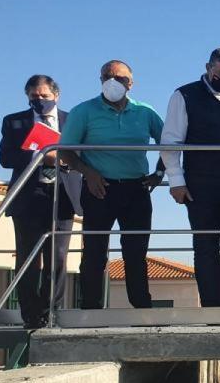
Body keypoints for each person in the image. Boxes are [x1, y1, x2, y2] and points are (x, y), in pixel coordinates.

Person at [60, 60, 165, 309]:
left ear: (131, 83)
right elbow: (65, 151)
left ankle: (141, 308)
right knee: (94, 253)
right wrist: (89, 173)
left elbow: (170, 143)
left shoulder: (146, 111)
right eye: (107, 77)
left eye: (120, 78)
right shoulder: (83, 111)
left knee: (136, 252)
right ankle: (91, 308)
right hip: (99, 188)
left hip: (137, 189)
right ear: (100, 80)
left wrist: (160, 173)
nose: (113, 82)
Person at [160, 48, 220, 308]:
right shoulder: (184, 95)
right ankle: (212, 309)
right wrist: (176, 181)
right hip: (200, 185)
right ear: (208, 68)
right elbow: (170, 142)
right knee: (206, 247)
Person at [0, 75, 77, 328]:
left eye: (44, 95)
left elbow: (82, 153)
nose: (40, 100)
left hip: (61, 195)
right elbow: (6, 158)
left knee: (58, 258)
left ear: (56, 95)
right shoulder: (14, 121)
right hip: (28, 197)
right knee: (28, 259)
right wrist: (40, 155)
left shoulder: (72, 120)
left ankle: (50, 312)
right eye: (34, 96)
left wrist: (63, 160)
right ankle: (30, 315)